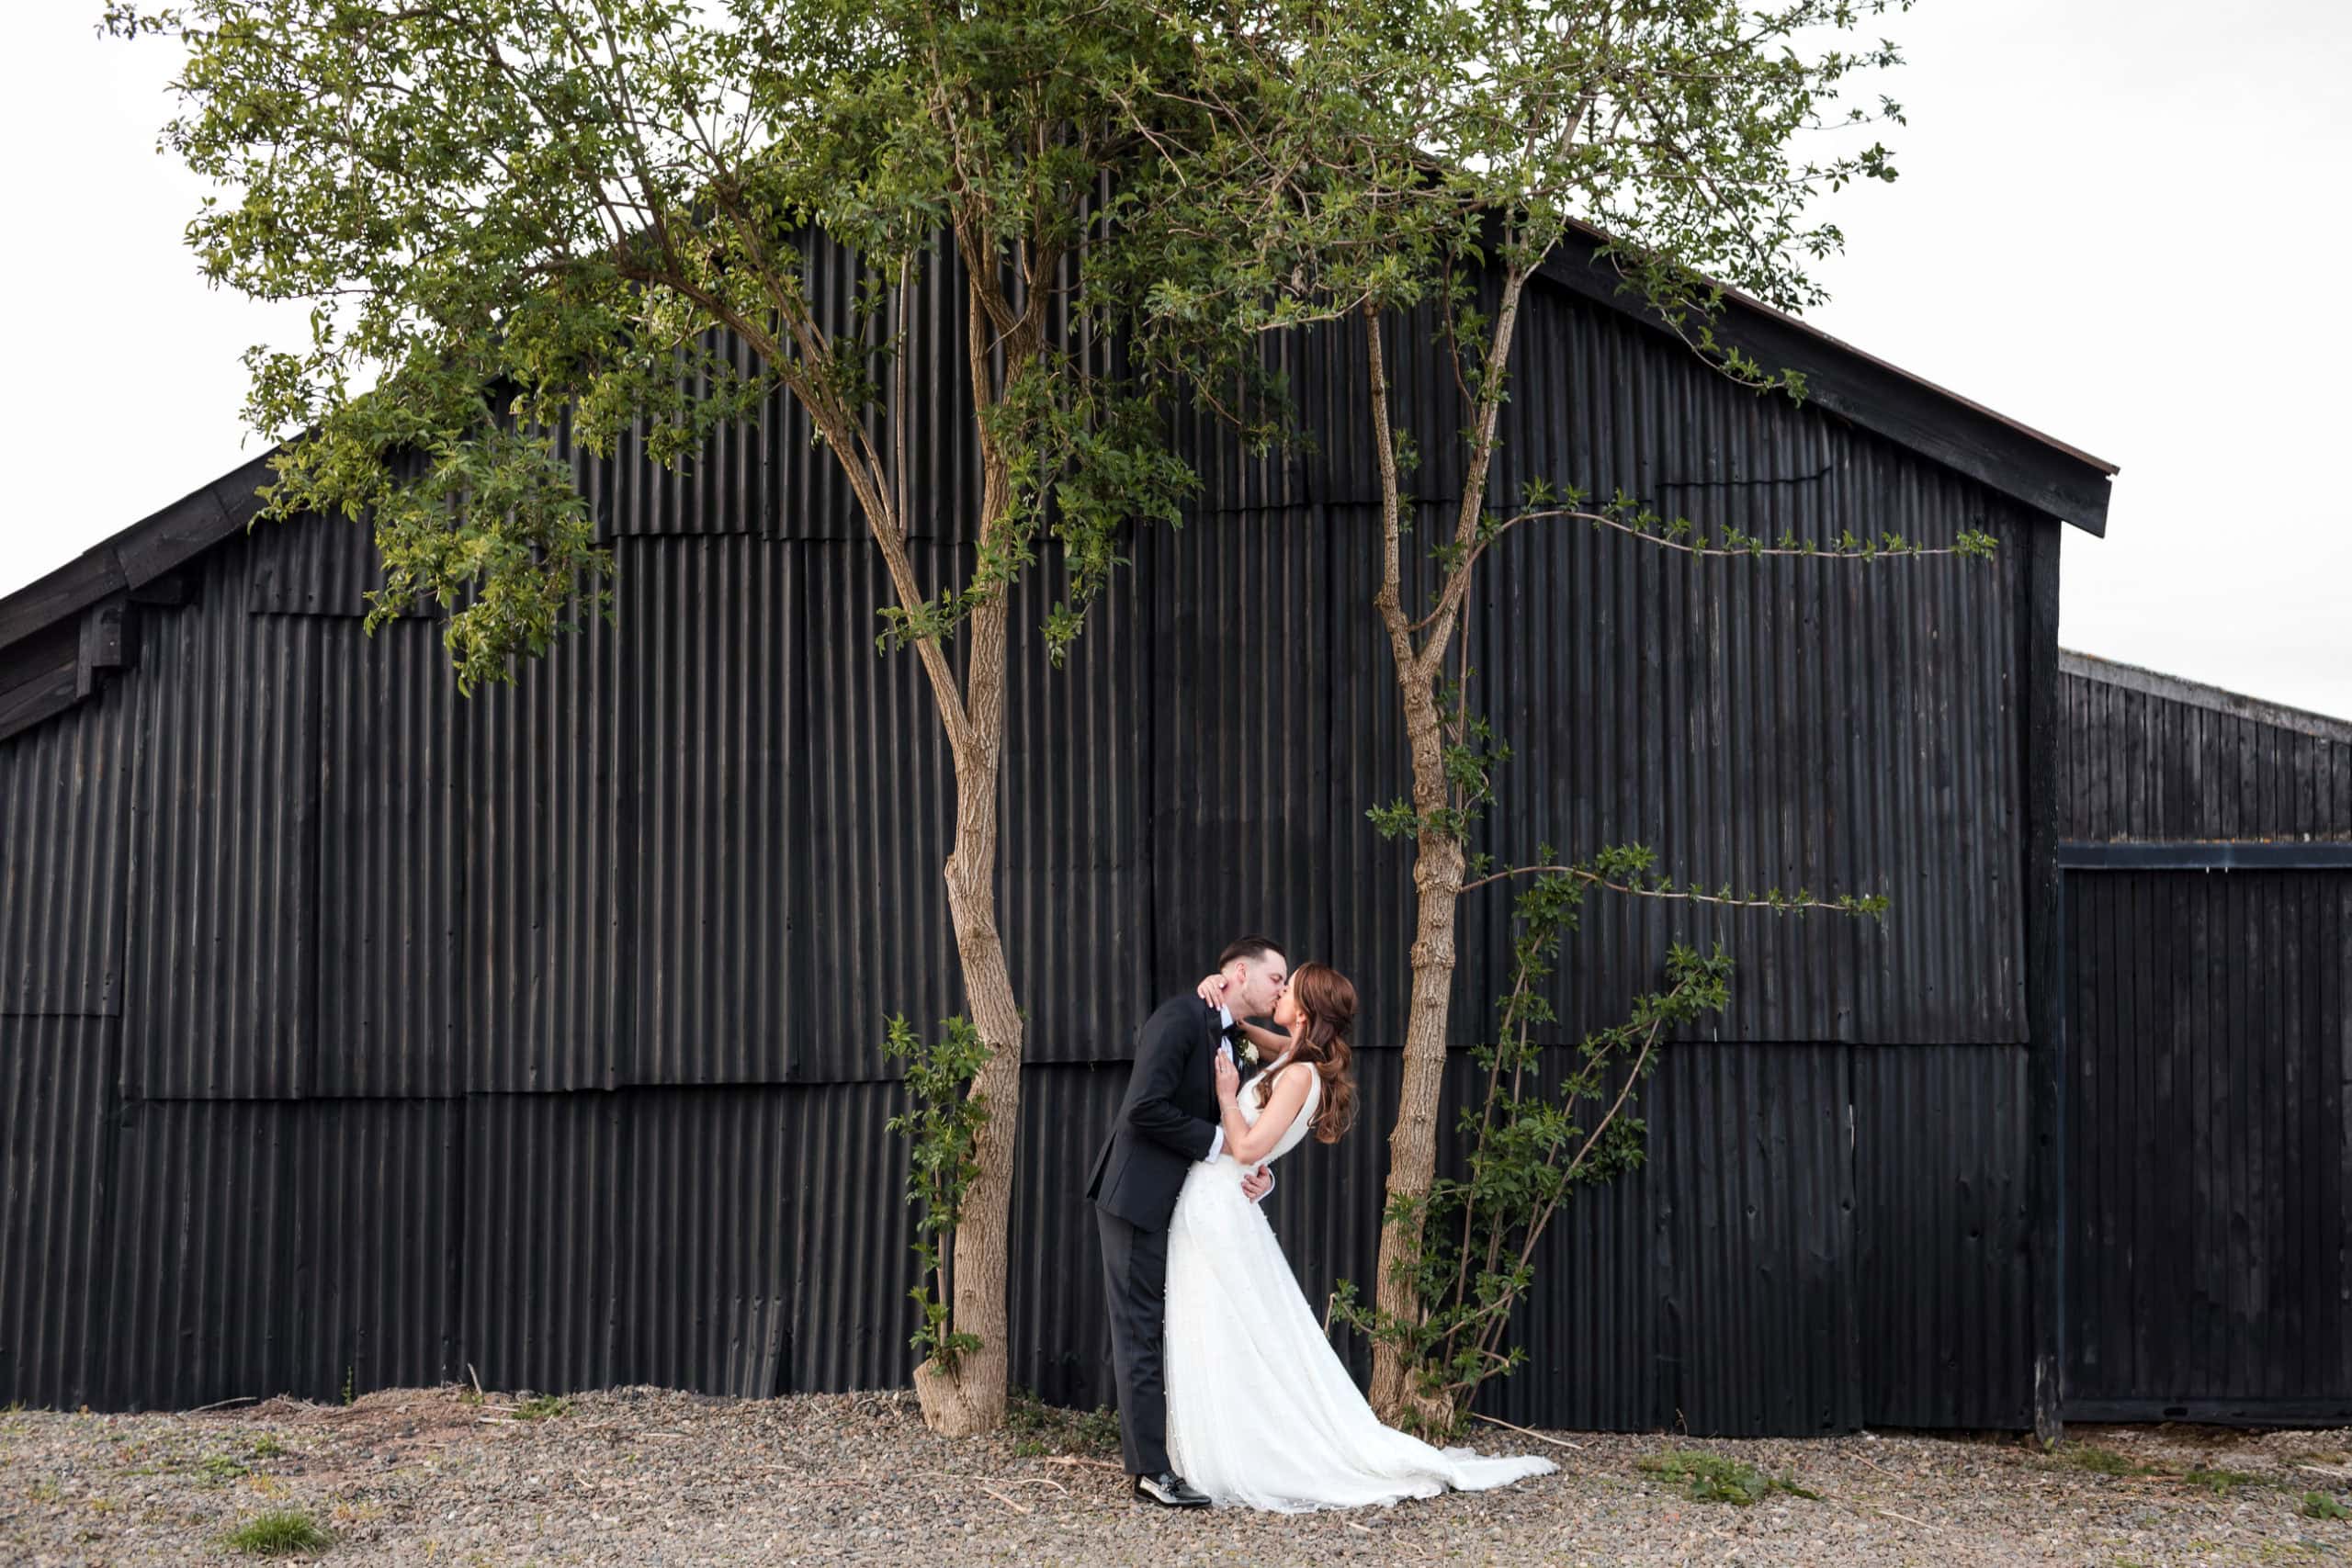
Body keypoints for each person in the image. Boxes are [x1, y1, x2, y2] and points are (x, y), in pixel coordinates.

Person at [1159, 960, 1557, 1512]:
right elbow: (1256, 1039)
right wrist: (1218, 996)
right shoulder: (1298, 1060)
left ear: (1303, 1008)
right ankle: (1214, 1443)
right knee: (1227, 1323)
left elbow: (1249, 1148)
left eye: (1287, 986)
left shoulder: (1300, 1074)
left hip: (1219, 1207)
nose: (1279, 988)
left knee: (1229, 1325)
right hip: (1219, 1205)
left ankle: (1240, 1451)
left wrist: (1229, 1093)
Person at [1086, 935, 1290, 1507]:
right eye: (1276, 977)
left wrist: (1256, 1170)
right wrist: (1227, 1145)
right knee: (1140, 1332)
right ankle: (1152, 1472)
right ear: (1240, 973)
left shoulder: (1233, 1033)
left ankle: (1195, 1451)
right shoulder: (1180, 1017)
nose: (1281, 988)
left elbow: (1250, 1121)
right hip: (1139, 1198)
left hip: (1192, 1204)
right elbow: (1144, 1109)